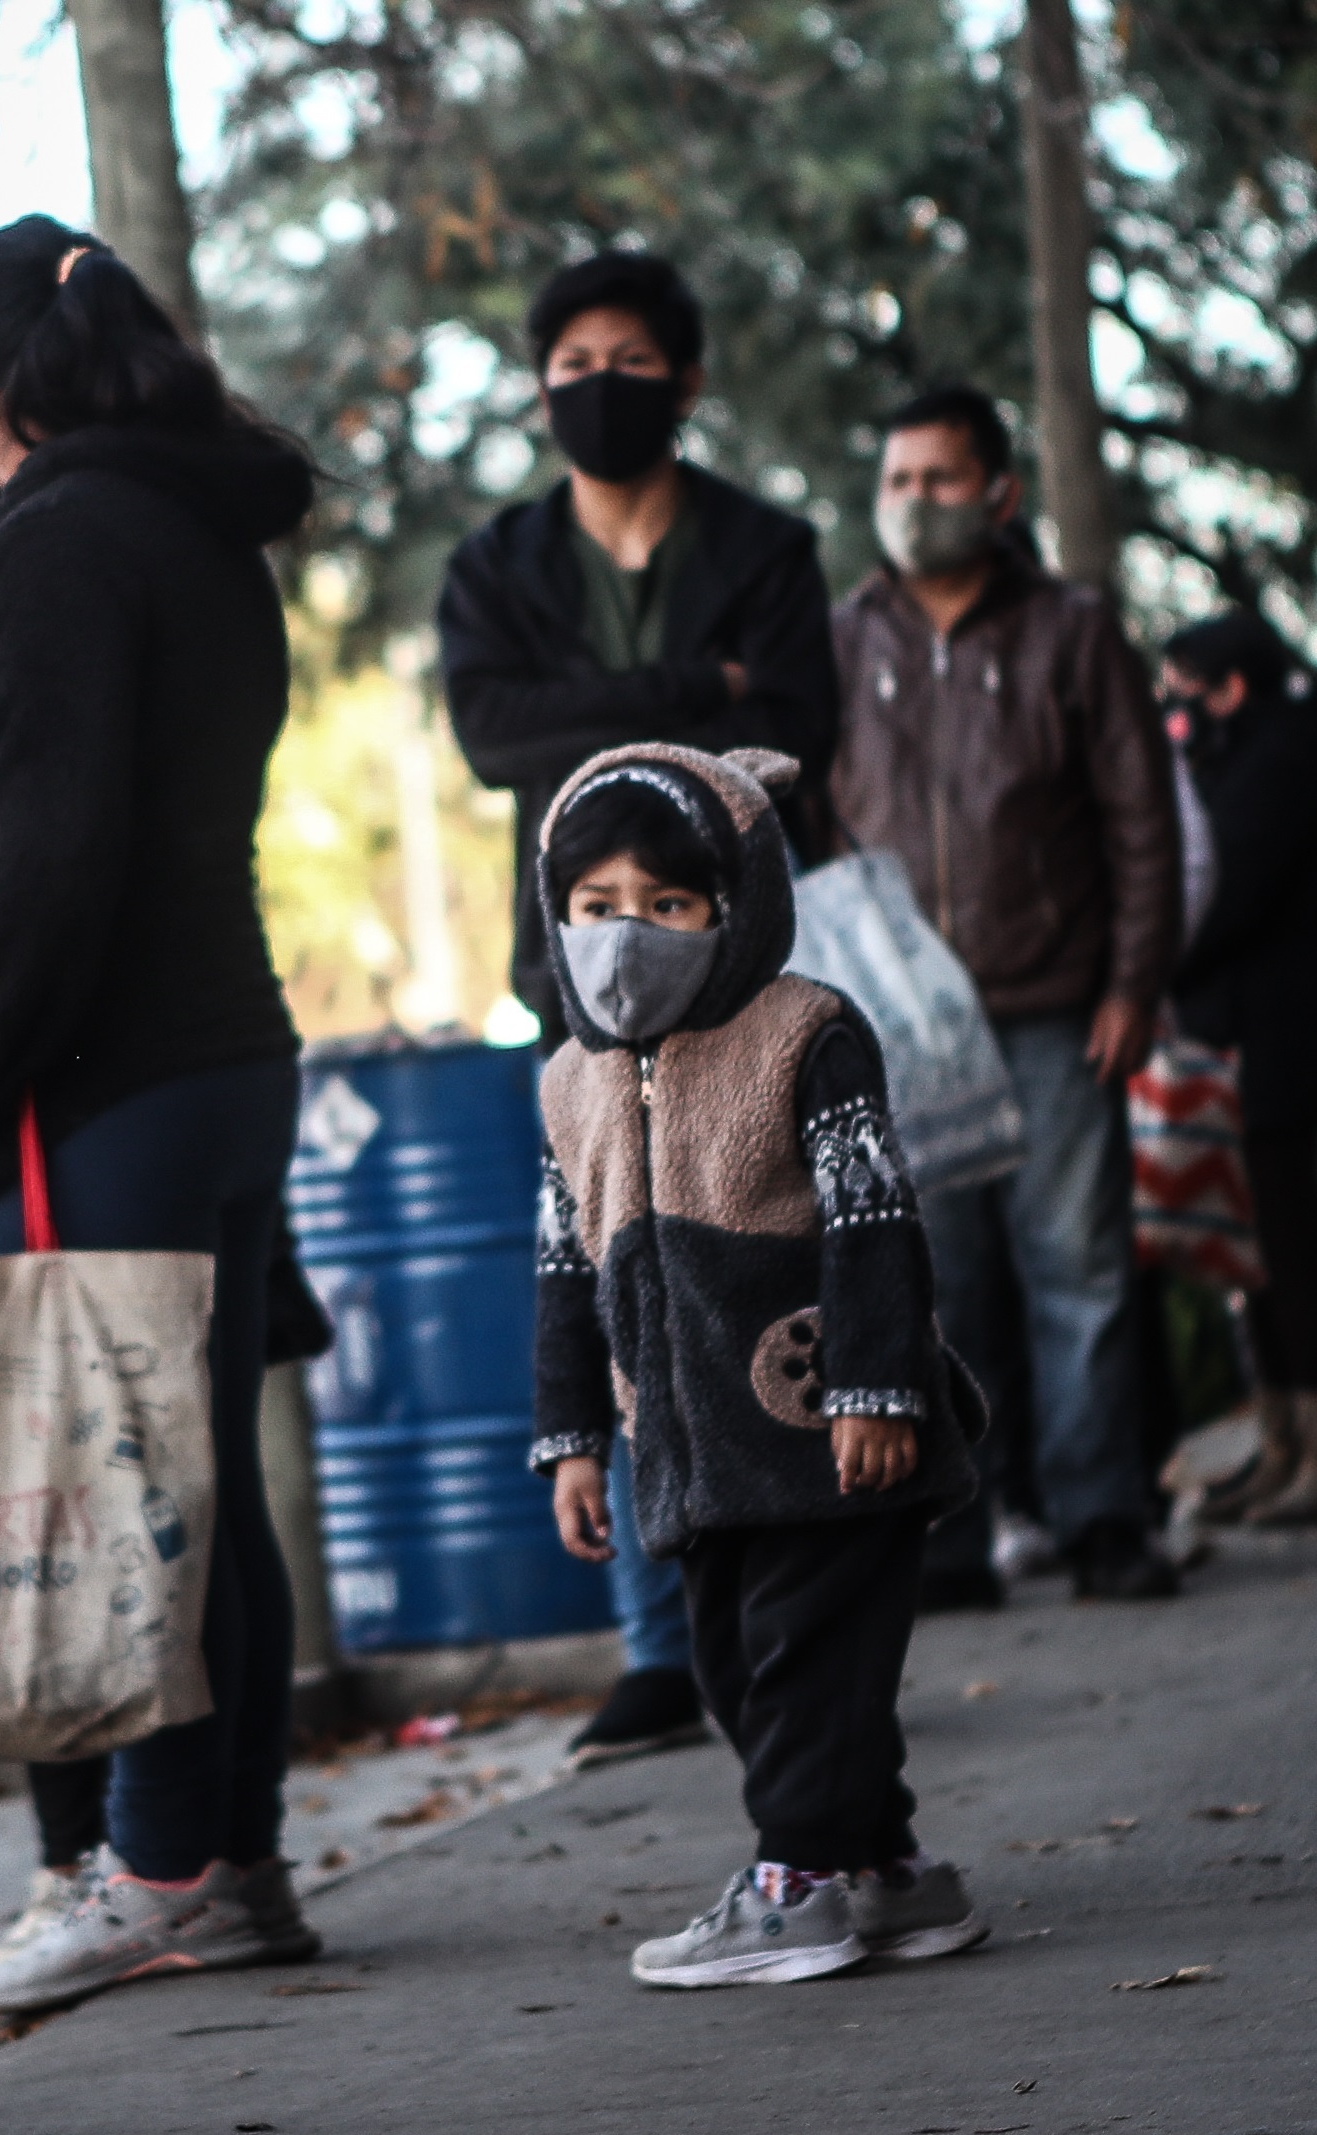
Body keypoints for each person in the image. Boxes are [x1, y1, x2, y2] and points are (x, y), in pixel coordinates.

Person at [0, 214, 315, 2017]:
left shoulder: (53, 543)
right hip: (208, 1056)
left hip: (84, 1082)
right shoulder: (194, 526)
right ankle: (235, 1855)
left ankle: (150, 1866)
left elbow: (49, 845)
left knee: (117, 1489)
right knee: (193, 1479)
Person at [435, 249, 842, 1766]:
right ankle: (659, 1646)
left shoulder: (770, 543)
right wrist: (693, 688)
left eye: (628, 356)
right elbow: (492, 732)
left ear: (684, 378)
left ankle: (797, 1583)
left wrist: (609, 709)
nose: (595, 381)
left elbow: (797, 721)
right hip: (582, 984)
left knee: (767, 1259)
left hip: (749, 965)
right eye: (570, 358)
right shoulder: (495, 564)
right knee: (617, 1279)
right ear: (541, 384)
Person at [525, 742, 991, 1986]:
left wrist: (878, 1387)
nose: (630, 935)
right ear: (554, 914)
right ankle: (884, 1874)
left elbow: (873, 1216)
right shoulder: (565, 1083)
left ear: (733, 906)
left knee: (805, 1666)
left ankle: (794, 1881)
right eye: (597, 908)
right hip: (685, 1450)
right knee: (740, 1672)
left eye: (668, 906)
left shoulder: (805, 1032)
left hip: (826, 1428)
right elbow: (564, 1271)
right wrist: (571, 1438)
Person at [832, 384, 1183, 1609]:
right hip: (902, 1031)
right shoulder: (841, 638)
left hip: (1054, 1010)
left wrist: (1134, 984)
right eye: (897, 483)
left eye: (939, 480)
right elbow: (816, 830)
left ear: (999, 494)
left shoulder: (1073, 631)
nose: (915, 505)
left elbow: (1143, 821)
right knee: (935, 1286)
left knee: (1076, 1272)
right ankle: (958, 1539)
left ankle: (1103, 1521)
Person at [1156, 611, 1317, 1525]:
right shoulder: (1252, 762)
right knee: (1251, 1253)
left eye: (1182, 689)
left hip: (1278, 1041)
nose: (1173, 709)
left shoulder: (1276, 766)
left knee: (1291, 1249)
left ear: (1229, 688)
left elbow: (1224, 900)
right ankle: (1287, 1446)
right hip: (1248, 1038)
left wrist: (1157, 959)